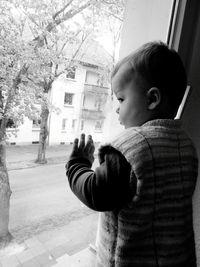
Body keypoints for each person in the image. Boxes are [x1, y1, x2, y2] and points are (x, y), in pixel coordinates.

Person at [65, 41, 198, 267]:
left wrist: (77, 164)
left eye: (121, 99)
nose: (117, 108)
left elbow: (96, 193)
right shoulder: (186, 146)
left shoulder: (130, 150)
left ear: (152, 99)